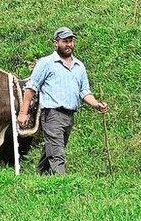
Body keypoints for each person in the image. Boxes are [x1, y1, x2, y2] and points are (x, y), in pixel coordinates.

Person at [18, 27, 108, 176]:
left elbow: (84, 92)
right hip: (52, 114)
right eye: (65, 41)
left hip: (69, 116)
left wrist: (96, 104)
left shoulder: (79, 66)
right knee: (57, 153)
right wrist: (23, 113)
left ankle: (39, 176)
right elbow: (31, 88)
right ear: (56, 43)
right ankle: (62, 182)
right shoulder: (46, 63)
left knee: (52, 149)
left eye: (71, 41)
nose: (69, 44)